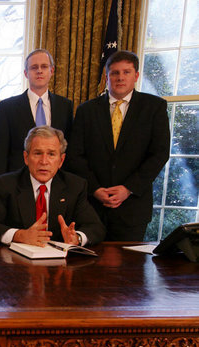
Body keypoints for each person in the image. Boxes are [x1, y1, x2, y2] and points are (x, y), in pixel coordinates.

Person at [66, 50, 170, 241]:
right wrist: (95, 189)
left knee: (129, 270)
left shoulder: (154, 107)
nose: (120, 77)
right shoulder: (86, 110)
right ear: (107, 77)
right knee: (86, 268)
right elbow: (75, 155)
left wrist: (128, 188)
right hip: (91, 207)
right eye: (114, 73)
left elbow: (159, 154)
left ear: (136, 75)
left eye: (126, 72)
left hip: (132, 208)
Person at [0, 126, 105, 246]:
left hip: (59, 266)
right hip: (16, 265)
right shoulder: (6, 185)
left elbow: (96, 227)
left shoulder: (75, 186)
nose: (44, 161)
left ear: (61, 160)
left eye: (51, 154)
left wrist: (77, 238)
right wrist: (19, 235)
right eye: (37, 153)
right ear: (26, 157)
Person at [0, 49, 73, 178]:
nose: (39, 71)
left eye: (44, 66)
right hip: (17, 186)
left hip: (56, 185)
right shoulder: (7, 108)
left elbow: (68, 151)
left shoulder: (65, 106)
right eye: (34, 67)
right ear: (26, 73)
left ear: (51, 71)